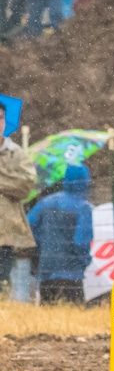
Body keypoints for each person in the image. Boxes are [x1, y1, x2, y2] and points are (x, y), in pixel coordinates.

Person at [25, 161, 91, 302]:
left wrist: (39, 251)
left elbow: (28, 227)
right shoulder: (83, 207)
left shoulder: (45, 202)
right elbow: (81, 242)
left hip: (46, 271)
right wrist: (85, 261)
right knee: (72, 318)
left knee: (48, 318)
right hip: (71, 275)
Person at [0, 100, 36, 296]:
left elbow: (24, 186)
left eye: (0, 119)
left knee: (2, 284)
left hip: (6, 232)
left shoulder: (17, 154)